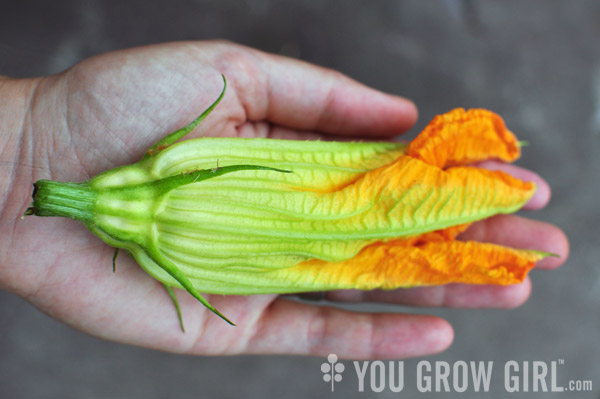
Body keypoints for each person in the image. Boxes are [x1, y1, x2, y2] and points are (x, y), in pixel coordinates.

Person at [0, 41, 568, 358]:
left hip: (168, 223)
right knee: (364, 218)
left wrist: (27, 135)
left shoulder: (172, 204)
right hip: (165, 220)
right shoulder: (172, 201)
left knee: (367, 214)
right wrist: (25, 137)